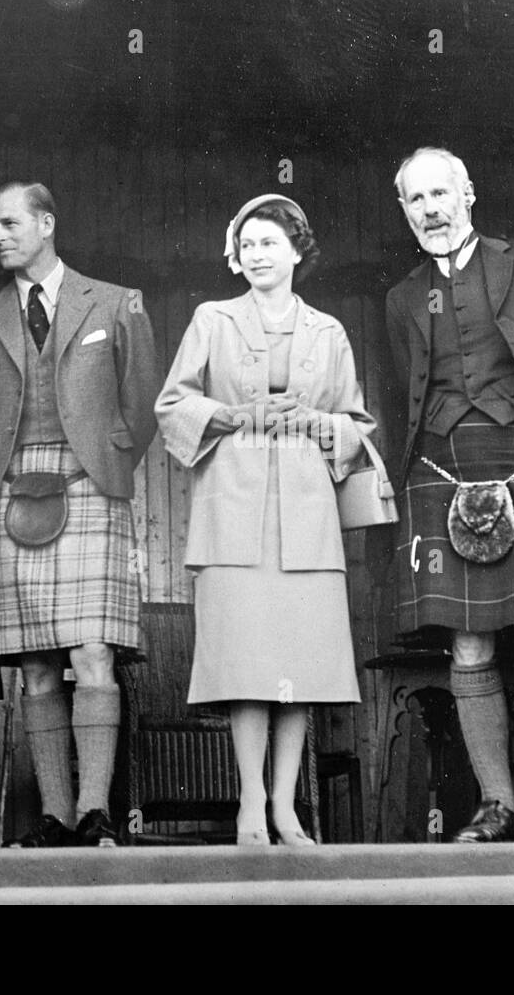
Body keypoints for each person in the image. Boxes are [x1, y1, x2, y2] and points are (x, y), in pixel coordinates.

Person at [385, 146, 514, 843]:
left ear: (468, 193)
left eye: (441, 194)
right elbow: (407, 396)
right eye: (417, 200)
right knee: (468, 646)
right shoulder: (403, 297)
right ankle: (496, 805)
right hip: (440, 465)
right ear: (406, 212)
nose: (431, 209)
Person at [155, 194, 369, 845]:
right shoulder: (212, 320)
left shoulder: (327, 332)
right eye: (246, 245)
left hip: (305, 515)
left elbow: (355, 423)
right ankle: (251, 804)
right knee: (247, 666)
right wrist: (232, 416)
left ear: (297, 249)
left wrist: (316, 424)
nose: (256, 254)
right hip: (234, 514)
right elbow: (173, 405)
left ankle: (285, 806)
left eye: (268, 242)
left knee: (297, 667)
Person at [0, 181, 160, 848]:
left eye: (10, 224)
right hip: (12, 492)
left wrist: (107, 462)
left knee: (93, 651)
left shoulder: (116, 304)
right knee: (34, 664)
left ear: (47, 223)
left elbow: (141, 405)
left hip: (89, 486)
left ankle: (96, 811)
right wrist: (2, 473)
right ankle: (55, 816)